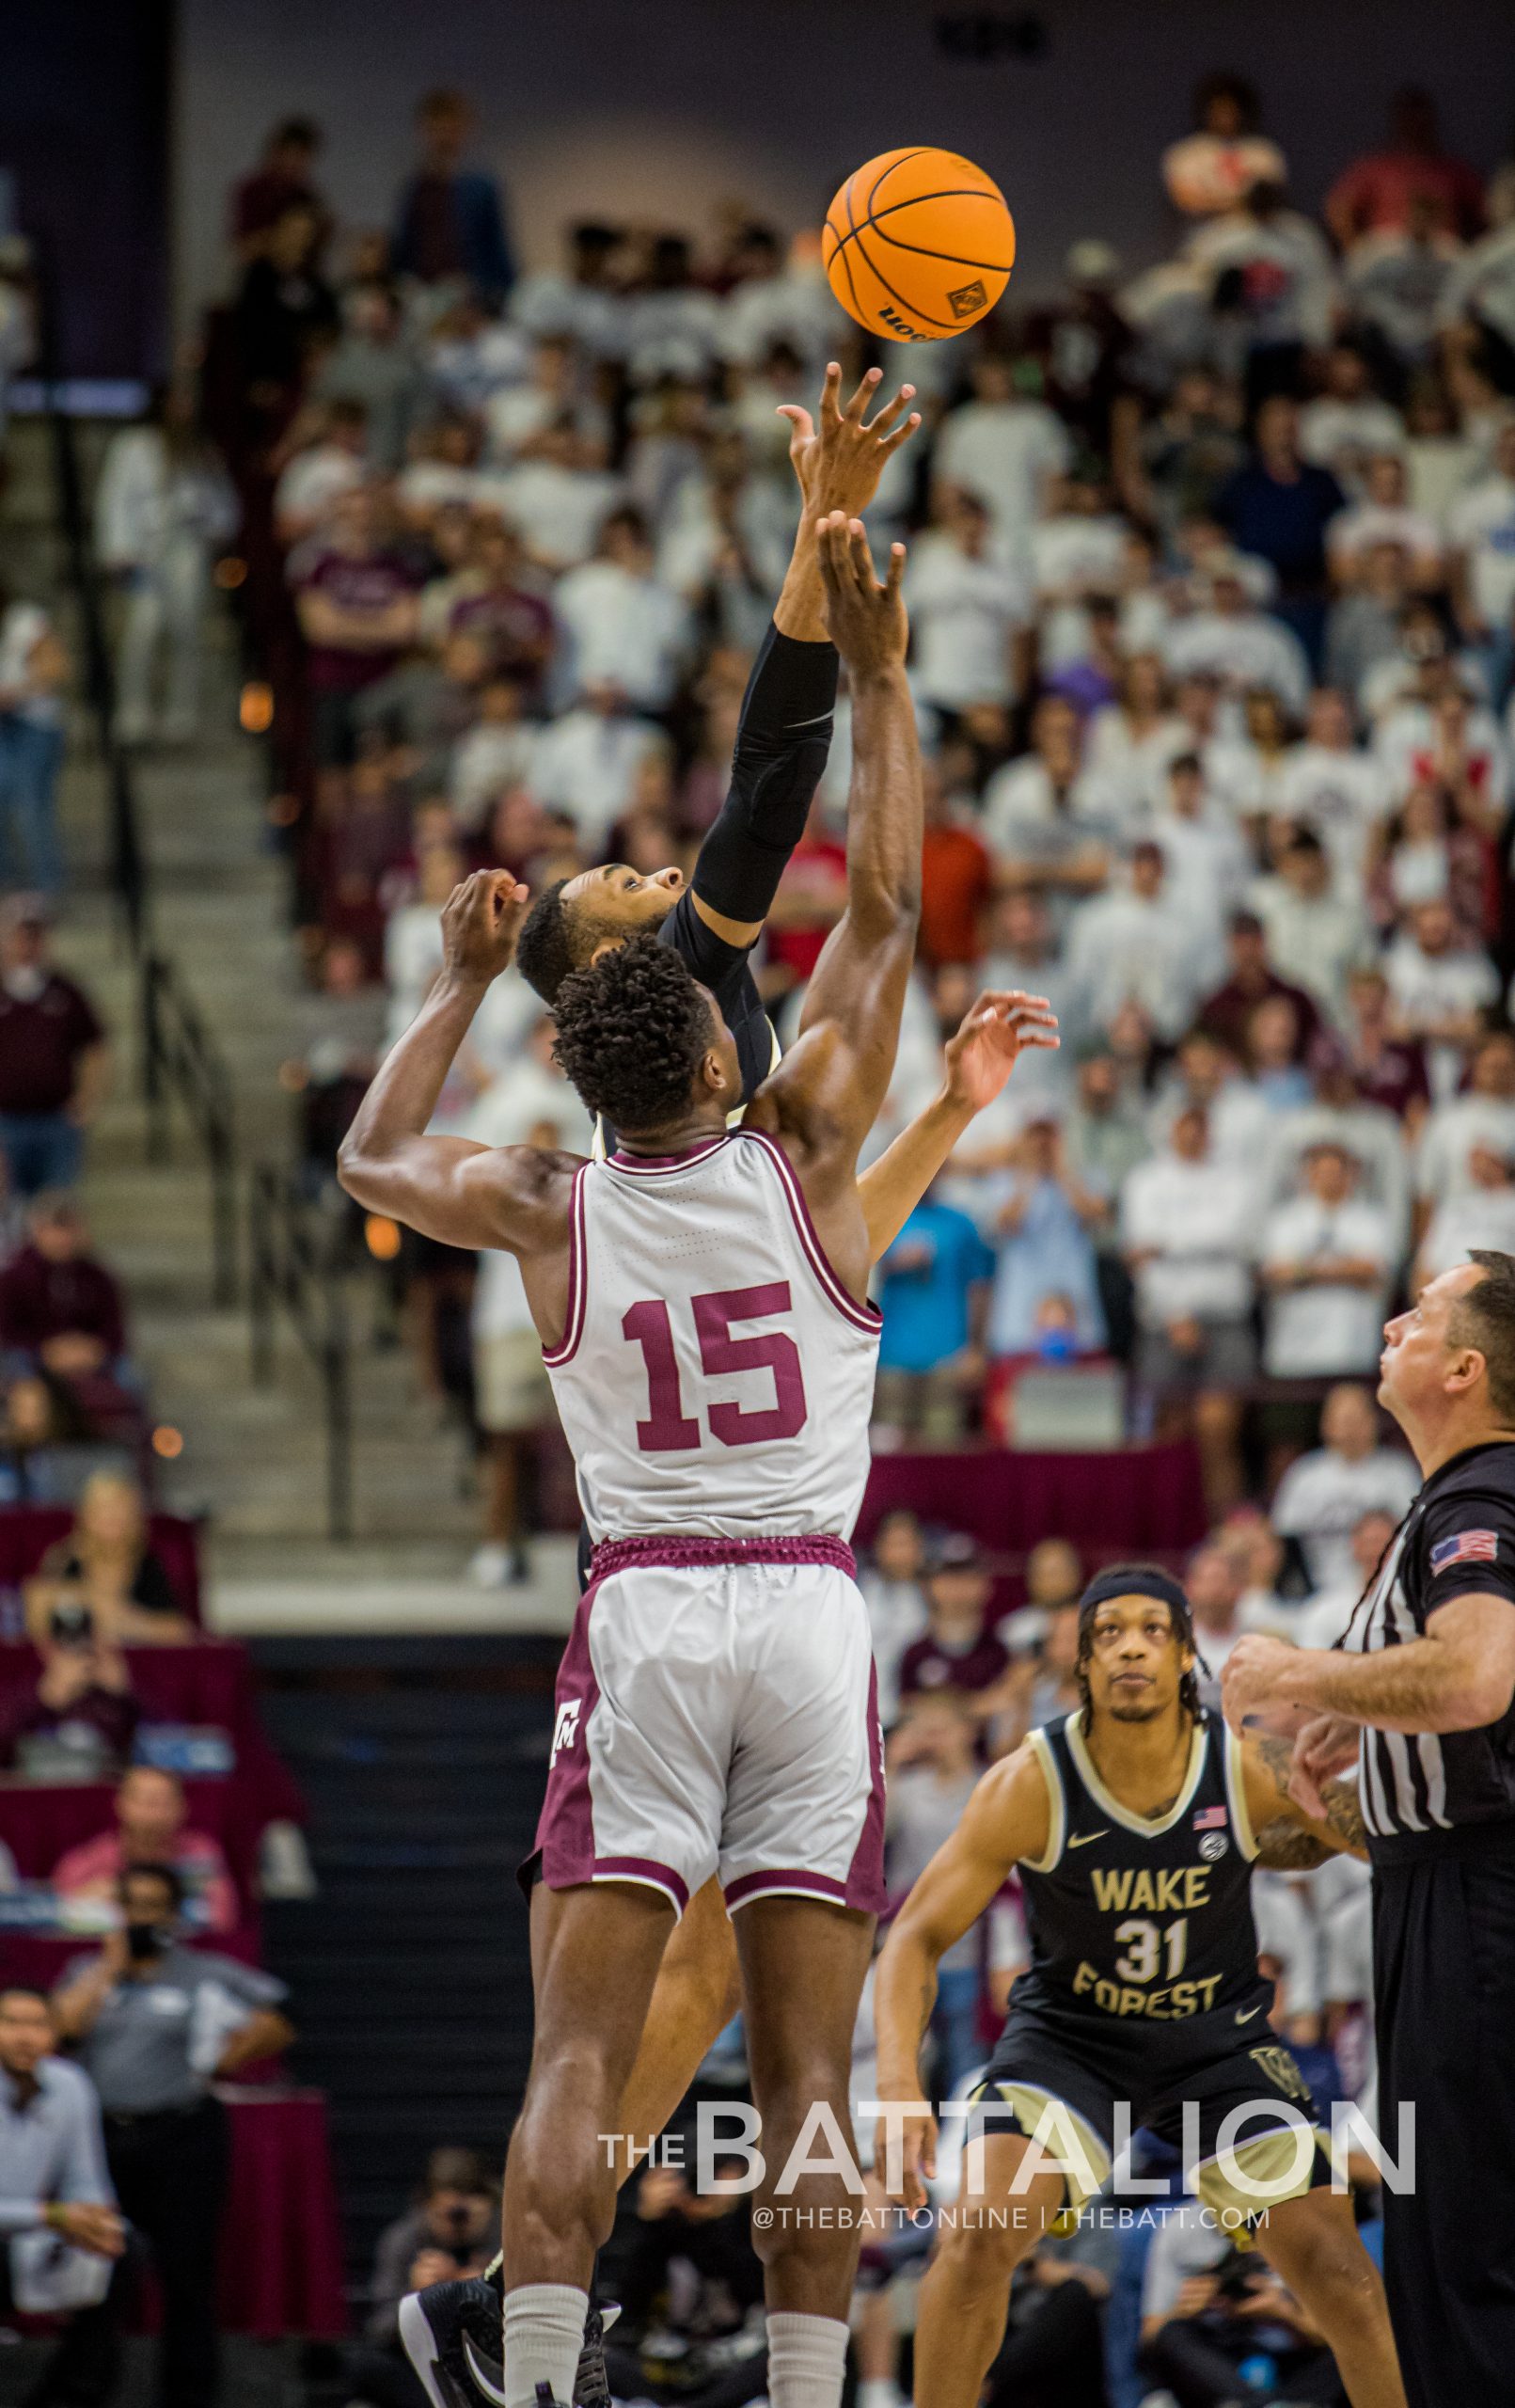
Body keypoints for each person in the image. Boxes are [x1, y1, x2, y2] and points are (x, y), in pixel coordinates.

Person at [339, 503, 1059, 2408]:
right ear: (725, 1060)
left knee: (575, 2068)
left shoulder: (540, 1198)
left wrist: (456, 980)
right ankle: (817, 2389)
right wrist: (887, 671)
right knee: (803, 2077)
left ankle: (533, 2359)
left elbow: (364, 1160)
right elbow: (888, 912)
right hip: (811, 1617)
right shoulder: (810, 1147)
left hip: (645, 1610)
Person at [873, 1563, 1401, 2408]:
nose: (1130, 1648)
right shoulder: (1032, 1781)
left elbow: (1396, 1843)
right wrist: (900, 2082)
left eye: (1153, 1631)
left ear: (1186, 1654)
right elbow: (915, 1937)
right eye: (1108, 1632)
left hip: (1214, 2043)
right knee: (975, 2235)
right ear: (1080, 1665)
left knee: (1336, 2265)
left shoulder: (1243, 1767)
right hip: (1074, 2042)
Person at [1223, 1250, 1515, 2408]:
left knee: (1466, 2249)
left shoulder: (1482, 1497)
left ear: (1466, 1365)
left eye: (1424, 1310)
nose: (1395, 1319)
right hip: (1437, 1890)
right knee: (1443, 2236)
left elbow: (1477, 1678)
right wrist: (1341, 1739)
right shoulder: (1457, 1498)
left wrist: (1304, 1669)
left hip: (1475, 1904)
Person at [52, 1863, 293, 2408]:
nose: (142, 1915)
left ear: (173, 1912)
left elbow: (281, 2012)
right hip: (102, 2141)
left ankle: (188, 2397)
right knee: (99, 2277)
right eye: (132, 1903)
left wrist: (227, 2058)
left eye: (154, 1905)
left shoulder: (201, 1971)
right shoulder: (87, 1969)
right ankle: (82, 2394)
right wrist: (107, 1970)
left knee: (188, 2276)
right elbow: (62, 2030)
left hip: (181, 2136)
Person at [0, 1986, 123, 2399]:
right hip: (28, 2225)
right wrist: (53, 2216)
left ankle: (68, 2397)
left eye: (38, 2024)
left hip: (33, 2232)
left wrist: (96, 2220)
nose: (25, 2037)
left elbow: (85, 2178)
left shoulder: (69, 2083)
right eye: (11, 2023)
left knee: (121, 2252)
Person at [353, 2148, 498, 2408]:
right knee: (368, 2365)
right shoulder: (404, 2239)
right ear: (428, 2206)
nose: (458, 2222)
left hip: (489, 2359)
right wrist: (414, 2296)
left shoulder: (504, 2239)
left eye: (467, 2214)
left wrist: (491, 2291)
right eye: (449, 2213)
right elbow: (378, 2328)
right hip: (420, 2366)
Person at [0, 896, 109, 1197]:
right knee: (9, 1214)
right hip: (6, 1121)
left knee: (55, 1205)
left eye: (36, 937)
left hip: (55, 1121)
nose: (28, 945)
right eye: (21, 936)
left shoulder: (66, 992)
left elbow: (96, 1046)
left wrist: (86, 1099)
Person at [1270, 1382, 1419, 1596]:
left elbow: (1415, 1537)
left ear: (1373, 1422)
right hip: (1316, 1595)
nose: (1350, 1428)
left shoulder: (1398, 1472)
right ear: (1326, 1424)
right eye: (1343, 1419)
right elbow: (1285, 1542)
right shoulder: (1304, 1475)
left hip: (1387, 1590)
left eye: (1357, 1419)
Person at [51, 1766, 238, 1935]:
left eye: (165, 1803)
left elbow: (223, 1918)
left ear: (183, 1808)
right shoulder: (91, 1858)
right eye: (147, 1802)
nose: (155, 1814)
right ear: (120, 1804)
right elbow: (57, 1911)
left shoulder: (201, 1852)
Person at [24, 1470, 192, 1648]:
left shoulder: (149, 1563)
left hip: (136, 1665)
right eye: (105, 1509)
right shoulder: (64, 1559)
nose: (113, 1517)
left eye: (120, 1509)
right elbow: (37, 1617)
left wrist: (126, 1621)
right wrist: (86, 1602)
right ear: (88, 1514)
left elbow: (179, 1630)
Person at [391, 90, 513, 307]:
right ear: (424, 130)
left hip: (468, 296)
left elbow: (498, 249)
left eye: (452, 129)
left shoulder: (481, 187)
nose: (444, 137)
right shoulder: (415, 187)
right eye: (437, 129)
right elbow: (405, 246)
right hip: (420, 295)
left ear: (465, 131)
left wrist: (494, 294)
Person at [0, 1606, 139, 1778]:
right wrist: (43, 1700)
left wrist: (124, 1693)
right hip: (30, 1795)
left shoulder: (110, 1696)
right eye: (65, 1645)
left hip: (98, 1796)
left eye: (82, 1644)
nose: (74, 1653)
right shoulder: (18, 1691)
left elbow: (158, 1748)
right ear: (46, 1648)